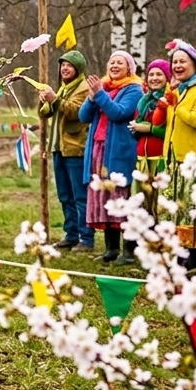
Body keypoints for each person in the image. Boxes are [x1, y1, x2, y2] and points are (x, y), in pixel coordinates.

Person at [78, 51, 143, 264]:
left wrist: (99, 95)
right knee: (104, 198)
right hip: (98, 149)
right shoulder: (103, 87)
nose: (114, 65)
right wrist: (91, 97)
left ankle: (129, 252)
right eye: (112, 62)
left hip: (119, 151)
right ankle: (111, 249)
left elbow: (118, 113)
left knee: (120, 198)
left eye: (120, 63)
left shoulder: (134, 89)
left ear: (129, 68)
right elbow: (83, 117)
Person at [39, 50, 92, 251]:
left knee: (80, 196)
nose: (65, 69)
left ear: (78, 69)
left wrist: (55, 99)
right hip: (58, 149)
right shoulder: (63, 89)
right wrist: (45, 101)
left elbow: (76, 113)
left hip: (75, 150)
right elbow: (48, 113)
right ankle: (71, 235)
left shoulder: (84, 88)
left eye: (69, 65)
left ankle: (86, 238)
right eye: (62, 65)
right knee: (65, 196)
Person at [125, 59, 171, 265]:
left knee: (157, 207)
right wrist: (136, 129)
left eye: (159, 74)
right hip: (142, 159)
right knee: (143, 206)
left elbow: (168, 131)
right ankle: (144, 250)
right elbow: (138, 125)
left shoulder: (169, 99)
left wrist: (149, 129)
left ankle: (161, 252)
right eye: (151, 74)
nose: (154, 78)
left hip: (159, 159)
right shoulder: (143, 101)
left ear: (167, 77)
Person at [166, 39, 196, 271]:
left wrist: (177, 105)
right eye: (175, 61)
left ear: (195, 65)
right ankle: (184, 257)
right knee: (181, 213)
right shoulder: (180, 89)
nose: (178, 65)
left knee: (194, 214)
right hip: (177, 160)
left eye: (183, 61)